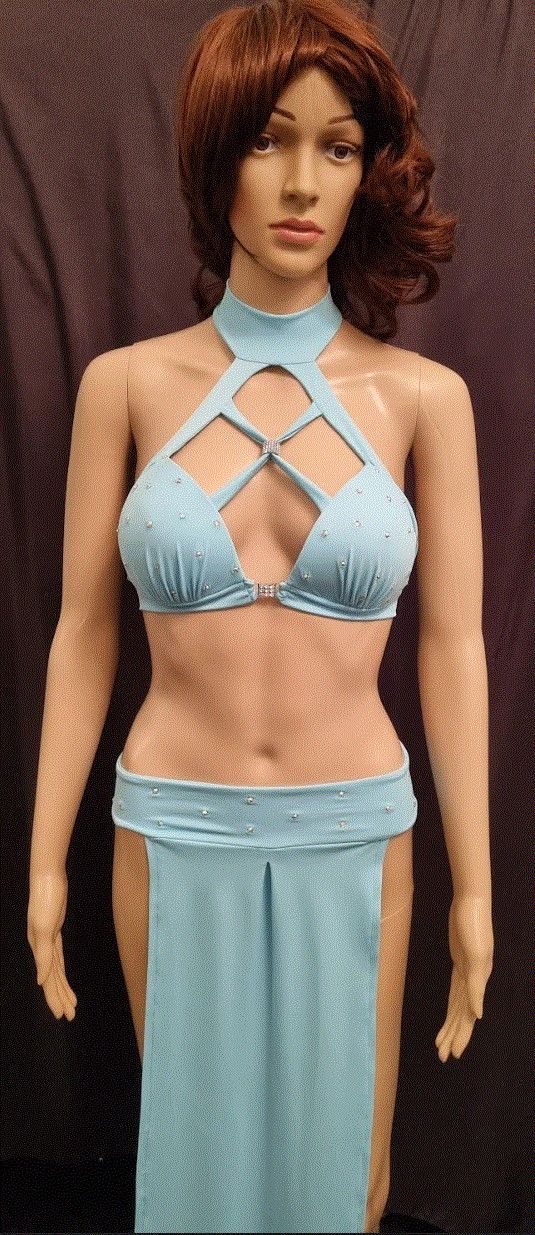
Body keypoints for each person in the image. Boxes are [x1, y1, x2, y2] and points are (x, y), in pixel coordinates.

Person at [27, 1, 494, 1232]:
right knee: (197, 1174)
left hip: (358, 832)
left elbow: (454, 645)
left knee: (349, 1185)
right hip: (171, 830)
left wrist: (475, 887)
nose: (301, 183)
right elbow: (84, 631)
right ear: (213, 156)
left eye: (337, 147)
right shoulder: (124, 386)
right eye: (268, 138)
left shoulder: (421, 398)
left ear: (366, 170)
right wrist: (43, 856)